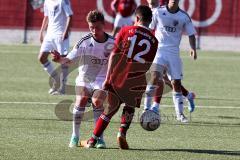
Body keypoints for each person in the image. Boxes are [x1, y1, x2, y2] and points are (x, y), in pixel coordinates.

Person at [80, 5, 158, 149]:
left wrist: (108, 77)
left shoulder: (126, 30)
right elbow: (148, 64)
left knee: (109, 110)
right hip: (138, 79)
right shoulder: (154, 40)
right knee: (129, 106)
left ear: (137, 18)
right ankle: (122, 133)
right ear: (151, 20)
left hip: (119, 76)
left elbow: (114, 56)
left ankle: (92, 141)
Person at [51, 10, 115, 148]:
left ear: (103, 25)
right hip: (85, 78)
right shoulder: (84, 41)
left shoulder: (113, 42)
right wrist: (59, 59)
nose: (94, 30)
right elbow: (69, 59)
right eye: (91, 27)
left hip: (102, 78)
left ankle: (99, 138)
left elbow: (119, 62)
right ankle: (75, 136)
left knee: (97, 101)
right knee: (82, 98)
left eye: (97, 27)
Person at [144, 0, 197, 123]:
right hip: (159, 50)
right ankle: (146, 109)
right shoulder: (158, 11)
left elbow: (191, 34)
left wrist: (193, 48)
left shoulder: (183, 16)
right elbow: (149, 29)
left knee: (176, 83)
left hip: (173, 53)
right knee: (154, 77)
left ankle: (180, 115)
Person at [38, 0, 73, 95]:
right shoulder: (47, 1)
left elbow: (69, 16)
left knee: (63, 60)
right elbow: (46, 16)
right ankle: (56, 80)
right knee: (42, 58)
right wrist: (41, 32)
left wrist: (66, 32)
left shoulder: (63, 1)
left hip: (60, 34)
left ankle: (63, 87)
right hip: (49, 34)